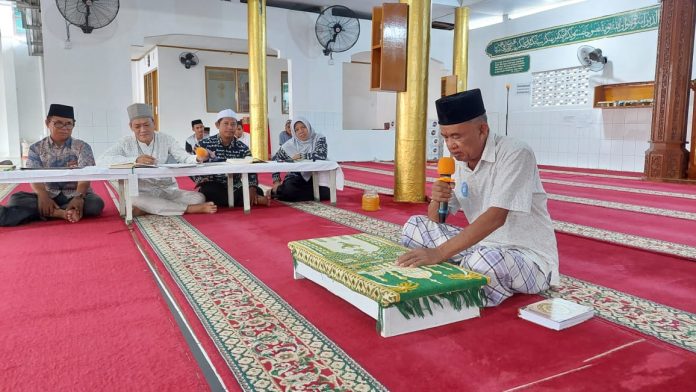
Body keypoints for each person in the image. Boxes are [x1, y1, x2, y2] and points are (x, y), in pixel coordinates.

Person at [396, 89, 558, 307]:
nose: (451, 145)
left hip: (526, 256)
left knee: (483, 262)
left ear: (482, 130)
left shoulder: (515, 153)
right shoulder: (457, 159)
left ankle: (466, 271)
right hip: (480, 246)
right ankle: (466, 270)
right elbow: (436, 220)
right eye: (445, 137)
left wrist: (439, 254)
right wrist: (436, 199)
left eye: (457, 136)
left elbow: (495, 217)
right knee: (414, 226)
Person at [100, 103, 217, 216]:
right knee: (132, 198)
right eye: (137, 126)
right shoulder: (125, 142)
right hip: (142, 191)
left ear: (153, 123)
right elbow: (102, 159)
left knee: (199, 198)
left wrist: (197, 158)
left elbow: (183, 157)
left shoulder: (166, 138)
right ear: (131, 127)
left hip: (166, 188)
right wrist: (135, 159)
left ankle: (149, 209)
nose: (142, 129)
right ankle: (188, 209)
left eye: (146, 125)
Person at [1, 104, 104, 226]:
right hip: (47, 194)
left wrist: (78, 197)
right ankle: (64, 212)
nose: (64, 128)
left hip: (75, 194)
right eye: (58, 123)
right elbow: (34, 176)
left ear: (73, 125)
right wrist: (43, 196)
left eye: (68, 124)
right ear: (47, 123)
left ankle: (50, 212)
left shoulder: (82, 147)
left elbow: (85, 177)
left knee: (95, 204)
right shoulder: (36, 148)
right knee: (16, 198)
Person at [193, 109, 269, 207]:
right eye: (226, 124)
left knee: (257, 190)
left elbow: (251, 168)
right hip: (214, 185)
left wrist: (252, 187)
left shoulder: (242, 147)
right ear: (217, 125)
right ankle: (253, 200)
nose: (230, 127)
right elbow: (193, 164)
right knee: (208, 191)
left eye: (233, 124)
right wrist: (201, 179)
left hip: (236, 186)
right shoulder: (204, 144)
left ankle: (245, 198)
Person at [271, 117, 329, 202]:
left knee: (326, 194)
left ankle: (280, 193)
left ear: (308, 126)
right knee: (290, 191)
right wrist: (276, 181)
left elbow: (321, 155)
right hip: (295, 177)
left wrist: (301, 156)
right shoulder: (289, 145)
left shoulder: (318, 138)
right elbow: (275, 160)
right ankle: (278, 190)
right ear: (294, 132)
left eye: (303, 127)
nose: (301, 131)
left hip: (315, 176)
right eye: (297, 129)